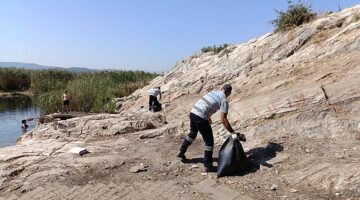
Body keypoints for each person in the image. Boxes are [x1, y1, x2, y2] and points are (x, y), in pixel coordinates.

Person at [177, 83, 245, 172]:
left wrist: (208, 117)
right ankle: (207, 165)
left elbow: (206, 103)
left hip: (193, 112)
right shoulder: (224, 100)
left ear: (222, 89)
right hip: (201, 117)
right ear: (229, 93)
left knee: (192, 133)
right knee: (209, 141)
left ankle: (182, 151)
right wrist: (233, 133)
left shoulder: (212, 92)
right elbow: (224, 120)